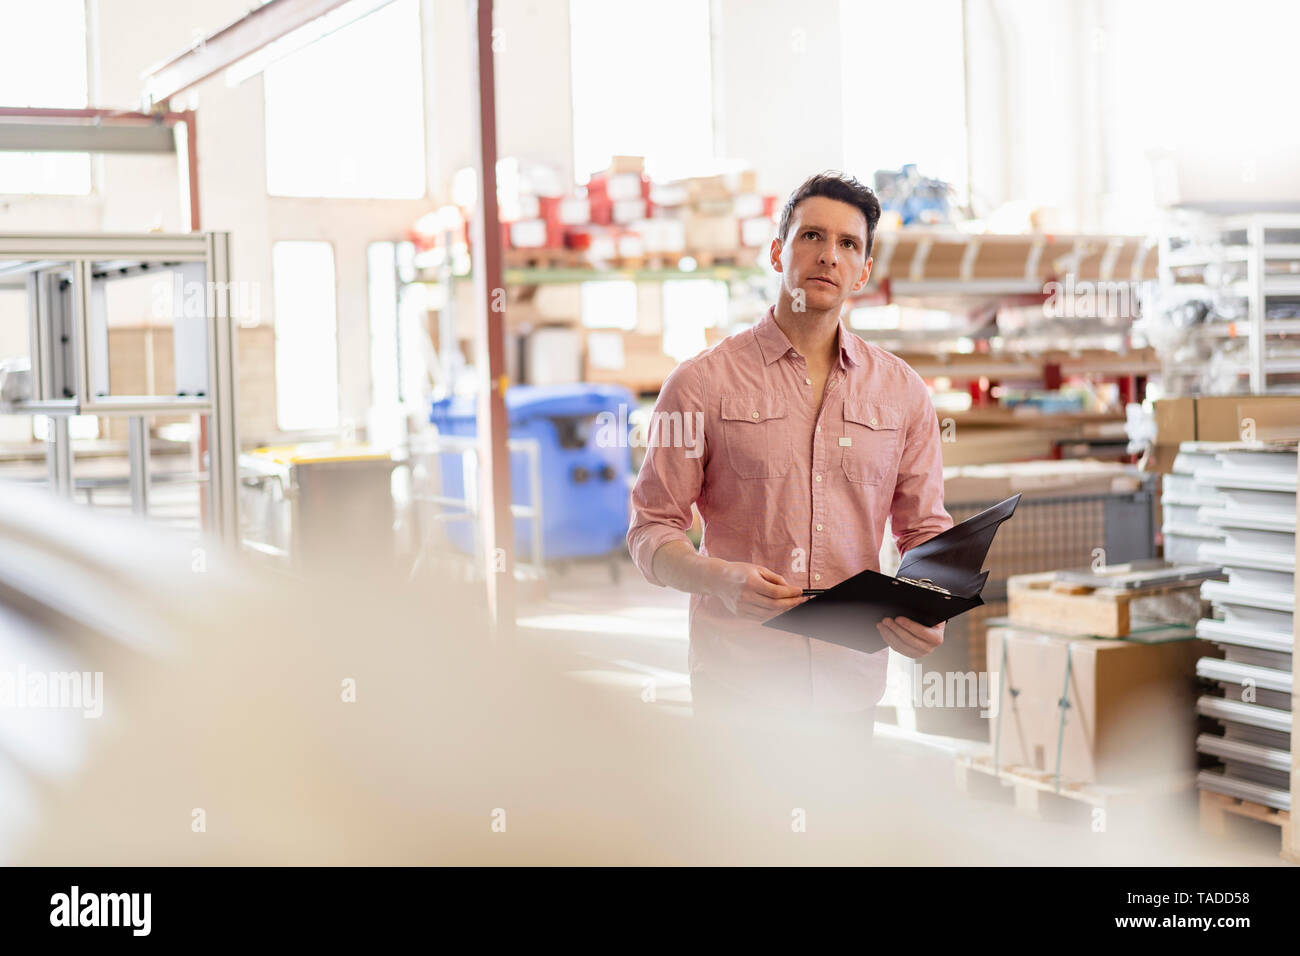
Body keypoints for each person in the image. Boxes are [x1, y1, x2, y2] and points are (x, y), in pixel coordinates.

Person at [626, 171, 953, 734]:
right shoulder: (700, 384)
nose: (829, 256)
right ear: (778, 252)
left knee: (843, 827)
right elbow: (650, 529)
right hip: (739, 684)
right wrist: (718, 580)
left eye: (848, 244)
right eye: (811, 237)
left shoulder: (901, 393)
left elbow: (924, 530)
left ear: (864, 271)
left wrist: (929, 607)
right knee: (738, 827)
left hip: (849, 688)